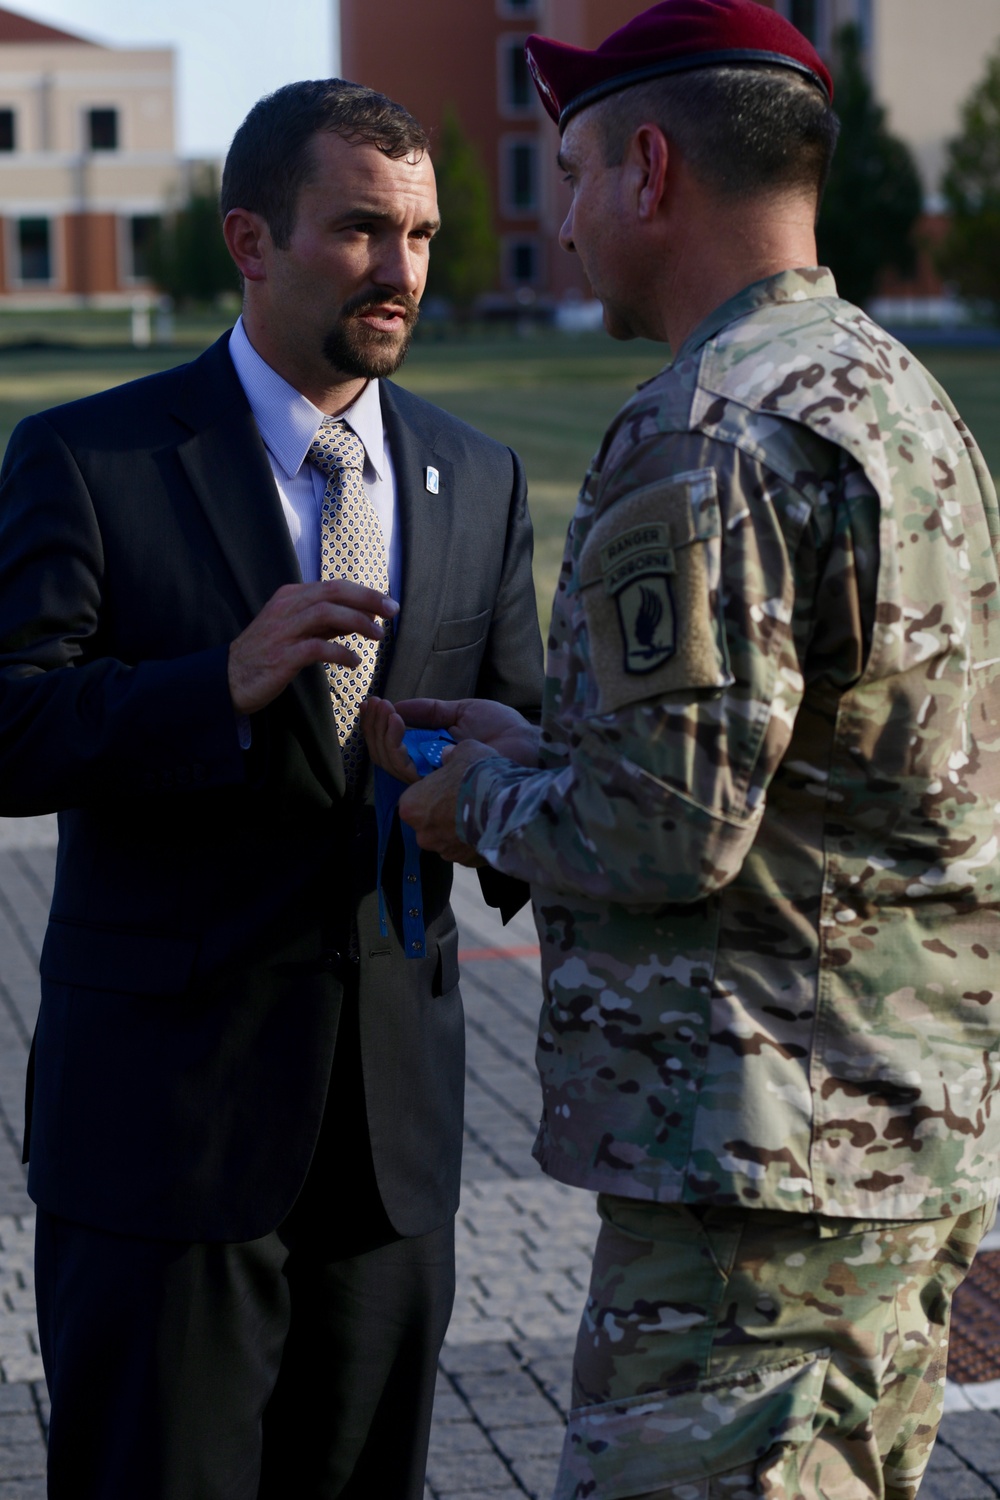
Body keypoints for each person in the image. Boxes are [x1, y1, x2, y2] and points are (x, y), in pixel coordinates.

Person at [361, 4, 1000, 1497]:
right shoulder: (900, 403)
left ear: (651, 168)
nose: (565, 219)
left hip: (752, 1180)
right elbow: (827, 763)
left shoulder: (702, 431)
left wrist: (478, 798)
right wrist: (558, 737)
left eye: (574, 173)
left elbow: (660, 832)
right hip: (897, 1141)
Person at [0, 80, 542, 1499]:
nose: (402, 270)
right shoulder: (88, 458)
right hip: (164, 1143)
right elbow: (9, 728)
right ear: (250, 238)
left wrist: (507, 779)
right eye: (362, 228)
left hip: (395, 1149)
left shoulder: (477, 478)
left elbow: (528, 740)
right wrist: (209, 682)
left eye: (419, 234)